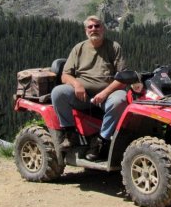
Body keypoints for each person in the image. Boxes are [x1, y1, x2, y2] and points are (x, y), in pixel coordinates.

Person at [51, 15, 127, 161]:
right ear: (86, 30)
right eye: (90, 27)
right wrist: (76, 84)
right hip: (82, 96)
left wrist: (105, 93)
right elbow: (65, 76)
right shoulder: (78, 49)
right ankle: (70, 133)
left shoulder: (114, 47)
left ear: (103, 28)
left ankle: (100, 141)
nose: (94, 29)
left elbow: (122, 78)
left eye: (97, 26)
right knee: (58, 92)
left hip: (107, 95)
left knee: (120, 100)